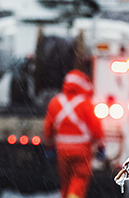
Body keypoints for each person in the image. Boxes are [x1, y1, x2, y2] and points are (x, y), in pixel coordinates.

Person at [43, 70, 104, 198]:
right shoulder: (86, 104)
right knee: (79, 180)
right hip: (82, 152)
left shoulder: (55, 102)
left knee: (65, 182)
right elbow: (96, 128)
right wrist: (101, 147)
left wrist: (49, 146)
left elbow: (48, 127)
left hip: (62, 152)